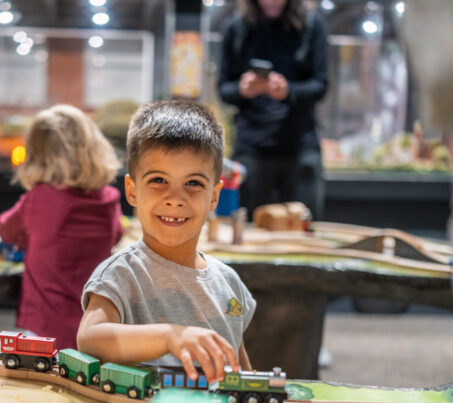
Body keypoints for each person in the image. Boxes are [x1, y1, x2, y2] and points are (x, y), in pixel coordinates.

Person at [77, 101, 256, 383]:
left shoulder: (230, 283)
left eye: (193, 183)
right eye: (158, 179)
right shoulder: (121, 275)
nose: (175, 198)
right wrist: (170, 336)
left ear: (214, 195)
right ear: (132, 190)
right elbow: (89, 338)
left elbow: (239, 366)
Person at [0, 104, 123, 349]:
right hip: (93, 325)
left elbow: (5, 229)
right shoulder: (108, 198)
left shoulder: (40, 198)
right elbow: (116, 234)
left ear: (37, 156)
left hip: (44, 328)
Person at [218, 0, 329, 219]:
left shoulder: (312, 26)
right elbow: (224, 88)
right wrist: (243, 89)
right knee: (247, 229)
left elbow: (321, 86)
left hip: (300, 145)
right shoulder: (237, 28)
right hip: (252, 146)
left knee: (304, 228)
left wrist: (288, 91)